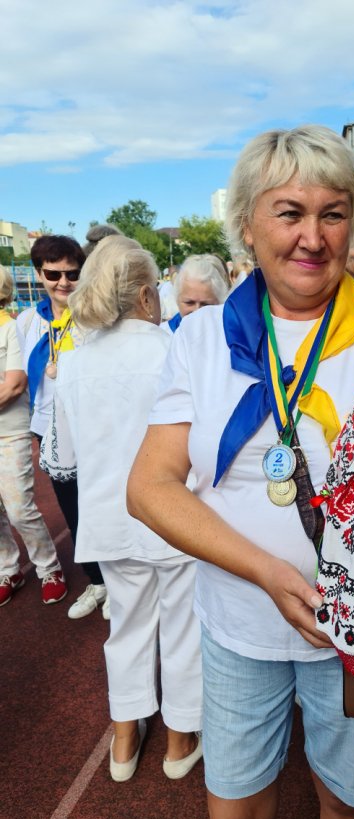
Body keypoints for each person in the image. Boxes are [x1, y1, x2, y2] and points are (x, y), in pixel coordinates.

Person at [127, 124, 354, 819]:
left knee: (348, 799)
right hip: (239, 619)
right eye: (290, 213)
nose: (313, 236)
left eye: (333, 214)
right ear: (247, 224)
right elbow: (148, 488)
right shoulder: (202, 337)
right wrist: (268, 573)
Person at [41, 236, 202, 783]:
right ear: (145, 295)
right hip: (175, 513)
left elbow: (62, 458)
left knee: (127, 627)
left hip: (110, 515)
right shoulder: (173, 352)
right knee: (183, 627)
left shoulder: (74, 362)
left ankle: (125, 737)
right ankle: (180, 738)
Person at [16, 235, 106, 613]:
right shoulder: (28, 321)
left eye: (72, 273)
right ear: (39, 274)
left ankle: (122, 581)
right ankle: (98, 582)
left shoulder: (94, 317)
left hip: (92, 424)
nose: (63, 282)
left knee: (104, 501)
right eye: (53, 274)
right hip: (48, 426)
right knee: (71, 507)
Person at [0, 266, 63, 606]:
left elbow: (14, 385)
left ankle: (49, 567)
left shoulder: (10, 328)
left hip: (10, 433)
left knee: (19, 509)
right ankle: (8, 569)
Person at [161, 254, 230, 334]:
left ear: (220, 303)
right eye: (189, 303)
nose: (196, 310)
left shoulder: (231, 335)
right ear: (177, 300)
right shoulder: (163, 336)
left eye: (205, 304)